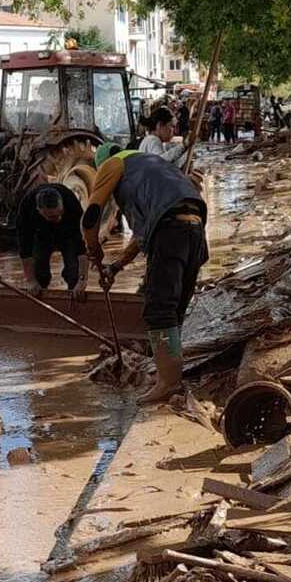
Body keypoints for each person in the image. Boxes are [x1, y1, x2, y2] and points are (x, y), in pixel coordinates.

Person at [82, 143, 207, 406]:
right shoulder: (150, 167)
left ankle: (169, 383)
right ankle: (171, 374)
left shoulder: (112, 164)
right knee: (174, 310)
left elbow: (91, 215)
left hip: (170, 229)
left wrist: (94, 251)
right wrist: (116, 266)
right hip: (193, 228)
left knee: (158, 310)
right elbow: (145, 235)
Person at [15, 183, 89, 299]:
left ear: (62, 205)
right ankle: (40, 306)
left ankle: (75, 302)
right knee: (39, 272)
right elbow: (25, 250)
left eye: (60, 214)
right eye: (52, 217)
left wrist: (82, 280)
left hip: (67, 233)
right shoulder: (26, 207)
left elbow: (82, 248)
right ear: (39, 210)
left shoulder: (71, 203)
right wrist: (31, 281)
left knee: (73, 271)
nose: (58, 218)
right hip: (41, 234)